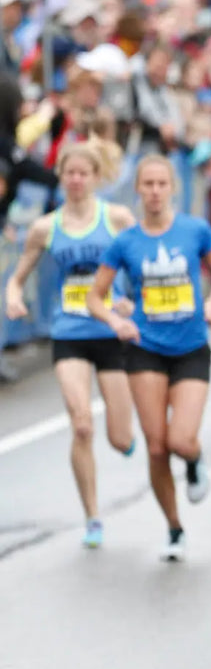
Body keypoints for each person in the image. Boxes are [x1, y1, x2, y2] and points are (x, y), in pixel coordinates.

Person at [86, 156, 211, 562]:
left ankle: (194, 458)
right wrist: (116, 322)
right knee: (155, 448)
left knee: (180, 439)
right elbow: (94, 297)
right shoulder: (126, 242)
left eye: (160, 183)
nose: (153, 191)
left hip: (190, 347)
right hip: (145, 348)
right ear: (138, 189)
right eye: (146, 184)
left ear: (172, 188)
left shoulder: (195, 231)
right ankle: (174, 528)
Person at [4, 143, 136, 548]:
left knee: (119, 438)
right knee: (81, 424)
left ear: (96, 177)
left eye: (83, 174)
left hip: (110, 332)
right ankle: (93, 517)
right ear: (61, 177)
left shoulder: (116, 218)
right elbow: (17, 275)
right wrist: (11, 296)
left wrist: (132, 300)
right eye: (69, 174)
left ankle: (126, 439)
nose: (76, 181)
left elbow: (140, 265)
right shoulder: (46, 227)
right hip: (70, 333)